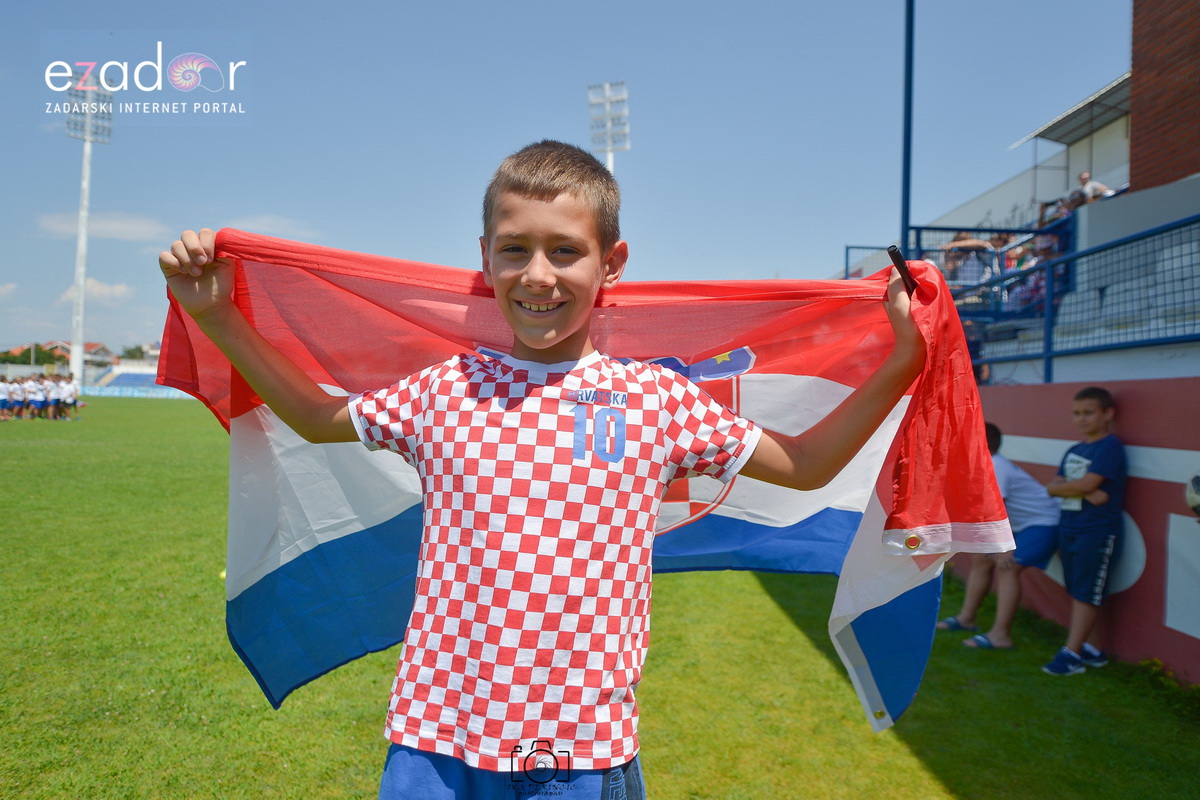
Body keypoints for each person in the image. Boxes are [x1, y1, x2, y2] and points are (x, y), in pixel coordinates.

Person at [158, 140, 927, 799]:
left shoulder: (657, 401)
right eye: (515, 248)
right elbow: (316, 418)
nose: (537, 274)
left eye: (564, 250)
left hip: (579, 752)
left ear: (611, 263)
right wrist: (216, 314)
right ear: (485, 257)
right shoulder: (445, 389)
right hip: (436, 739)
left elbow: (807, 464)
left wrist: (903, 359)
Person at [936, 423, 1060, 648]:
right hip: (1022, 525)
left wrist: (1003, 547)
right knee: (981, 559)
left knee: (1007, 566)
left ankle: (1001, 636)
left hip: (1045, 523)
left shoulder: (995, 465)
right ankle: (966, 619)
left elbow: (996, 508)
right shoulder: (986, 464)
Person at [1041, 386, 1126, 676]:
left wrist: (1080, 487)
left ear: (1108, 414)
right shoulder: (1074, 450)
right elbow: (1052, 487)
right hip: (1070, 527)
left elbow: (1082, 483)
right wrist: (1085, 490)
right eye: (1077, 413)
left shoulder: (1110, 447)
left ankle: (1072, 655)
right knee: (1078, 590)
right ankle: (1092, 649)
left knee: (1087, 592)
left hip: (1097, 531)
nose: (1081, 419)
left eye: (1088, 413)